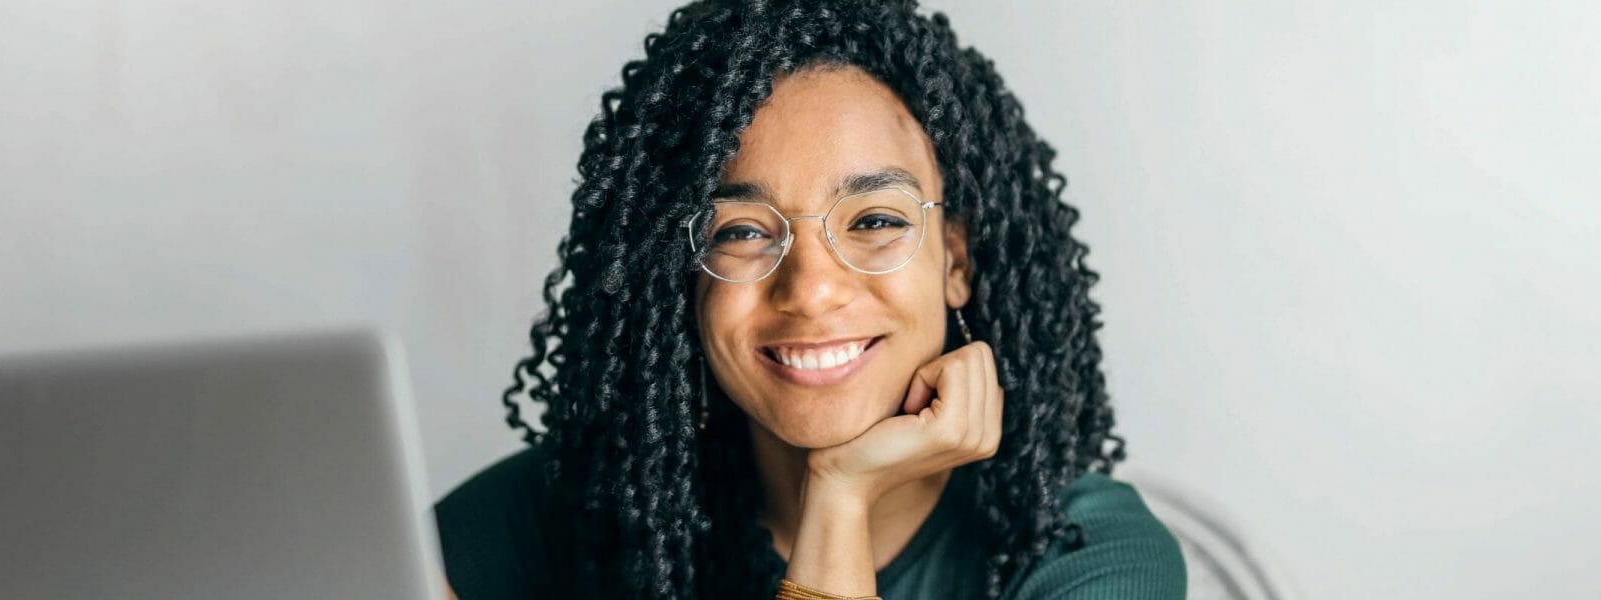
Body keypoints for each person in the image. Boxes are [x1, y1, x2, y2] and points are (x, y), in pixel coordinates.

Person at [434, 1, 1186, 598]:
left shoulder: (1092, 558)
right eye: (743, 232)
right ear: (683, 275)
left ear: (955, 260)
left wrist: (840, 492)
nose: (812, 287)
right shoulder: (580, 504)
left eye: (876, 221)